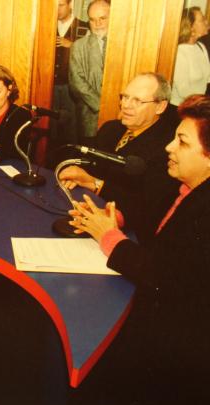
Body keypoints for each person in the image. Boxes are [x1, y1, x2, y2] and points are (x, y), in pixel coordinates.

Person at [68, 94, 210, 405]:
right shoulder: (190, 188)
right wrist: (113, 219)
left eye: (182, 142)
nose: (169, 147)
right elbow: (155, 220)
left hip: (174, 351)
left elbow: (166, 275)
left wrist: (108, 237)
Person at [58, 72, 179, 242]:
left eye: (137, 100)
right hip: (86, 210)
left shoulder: (168, 148)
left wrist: (94, 183)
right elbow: (85, 163)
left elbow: (146, 205)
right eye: (125, 97)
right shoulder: (111, 129)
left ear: (160, 106)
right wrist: (76, 174)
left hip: (130, 233)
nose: (126, 105)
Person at [68, 0, 110, 144]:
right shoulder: (79, 47)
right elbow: (76, 83)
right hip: (90, 117)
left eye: (102, 18)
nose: (98, 24)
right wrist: (101, 106)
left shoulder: (124, 45)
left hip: (121, 115)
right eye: (92, 20)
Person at [50, 0, 88, 151]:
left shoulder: (85, 27)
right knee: (50, 126)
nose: (57, 10)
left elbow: (91, 57)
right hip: (49, 85)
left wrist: (72, 45)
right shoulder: (47, 25)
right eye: (55, 6)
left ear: (70, 4)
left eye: (61, 5)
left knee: (71, 128)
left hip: (72, 87)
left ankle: (71, 157)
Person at [170, 7, 210, 107]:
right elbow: (184, 91)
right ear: (191, 27)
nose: (206, 22)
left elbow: (208, 78)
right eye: (202, 20)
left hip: (198, 105)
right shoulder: (179, 52)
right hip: (181, 108)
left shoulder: (200, 46)